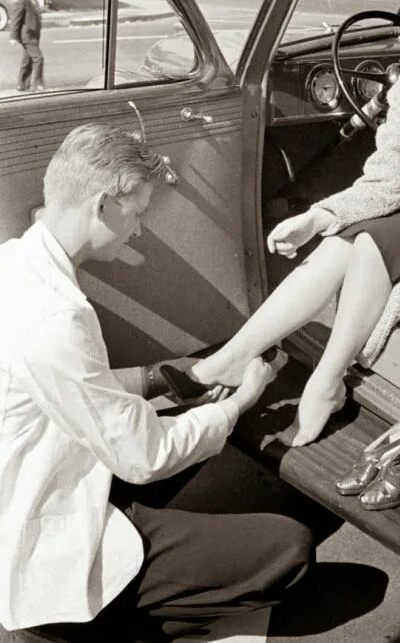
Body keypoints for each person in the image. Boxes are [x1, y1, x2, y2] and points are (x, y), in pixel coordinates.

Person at [0, 124, 311, 639]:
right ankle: (103, 624)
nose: (138, 231)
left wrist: (173, 380)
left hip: (30, 485)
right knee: (288, 546)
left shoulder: (13, 265)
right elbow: (144, 458)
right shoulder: (58, 318)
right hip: (42, 554)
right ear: (103, 205)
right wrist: (238, 405)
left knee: (189, 440)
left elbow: (74, 387)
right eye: (137, 214)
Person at [180, 0, 400, 447]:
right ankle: (241, 355)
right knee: (343, 241)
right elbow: (389, 178)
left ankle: (324, 381)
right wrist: (318, 215)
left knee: (370, 242)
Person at [9, 0, 45, 92]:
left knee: (27, 60)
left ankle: (22, 85)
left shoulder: (34, 0)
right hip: (27, 36)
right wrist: (13, 37)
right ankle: (37, 84)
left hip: (34, 35)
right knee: (38, 58)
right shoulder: (23, 0)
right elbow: (16, 19)